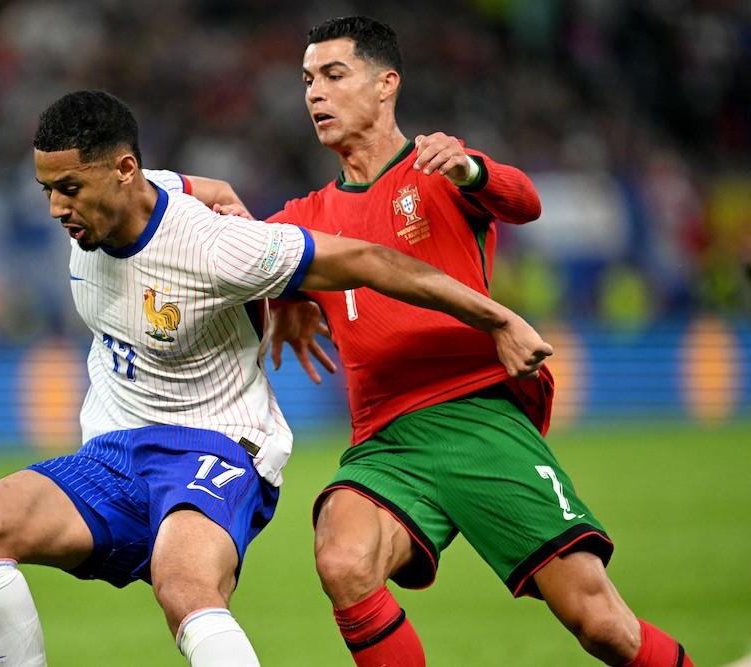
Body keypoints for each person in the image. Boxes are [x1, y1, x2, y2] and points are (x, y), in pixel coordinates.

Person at [0, 89, 553, 667]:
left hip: (215, 446)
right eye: (47, 190)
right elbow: (204, 186)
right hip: (116, 448)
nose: (56, 208)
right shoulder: (120, 201)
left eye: (69, 188)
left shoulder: (215, 248)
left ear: (125, 169)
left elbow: (369, 261)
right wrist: (238, 221)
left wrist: (496, 318)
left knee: (183, 588)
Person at [221, 15, 694, 667]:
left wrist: (473, 169)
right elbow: (236, 254)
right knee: (341, 556)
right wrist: (287, 292)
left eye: (333, 75)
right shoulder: (305, 217)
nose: (314, 94)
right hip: (385, 440)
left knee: (600, 623)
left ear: (387, 84)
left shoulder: (437, 167)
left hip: (478, 417)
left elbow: (524, 201)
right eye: (306, 80)